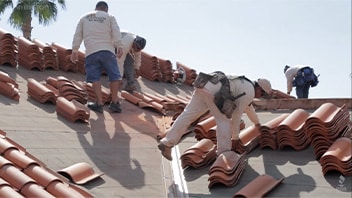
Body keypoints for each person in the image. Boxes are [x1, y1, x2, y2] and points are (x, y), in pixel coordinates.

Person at [158, 71, 272, 161]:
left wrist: (257, 123)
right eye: (262, 94)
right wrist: (235, 138)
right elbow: (237, 115)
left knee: (187, 114)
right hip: (214, 92)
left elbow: (249, 108)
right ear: (259, 88)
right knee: (224, 121)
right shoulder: (250, 91)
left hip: (204, 84)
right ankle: (223, 154)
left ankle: (167, 143)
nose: (260, 96)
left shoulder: (245, 85)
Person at [70, 1, 124, 113]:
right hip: (107, 51)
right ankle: (114, 103)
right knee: (114, 76)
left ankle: (99, 103)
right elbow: (116, 31)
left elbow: (77, 35)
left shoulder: (84, 18)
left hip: (91, 52)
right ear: (106, 9)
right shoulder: (109, 17)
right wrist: (119, 46)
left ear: (96, 8)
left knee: (95, 78)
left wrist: (75, 50)